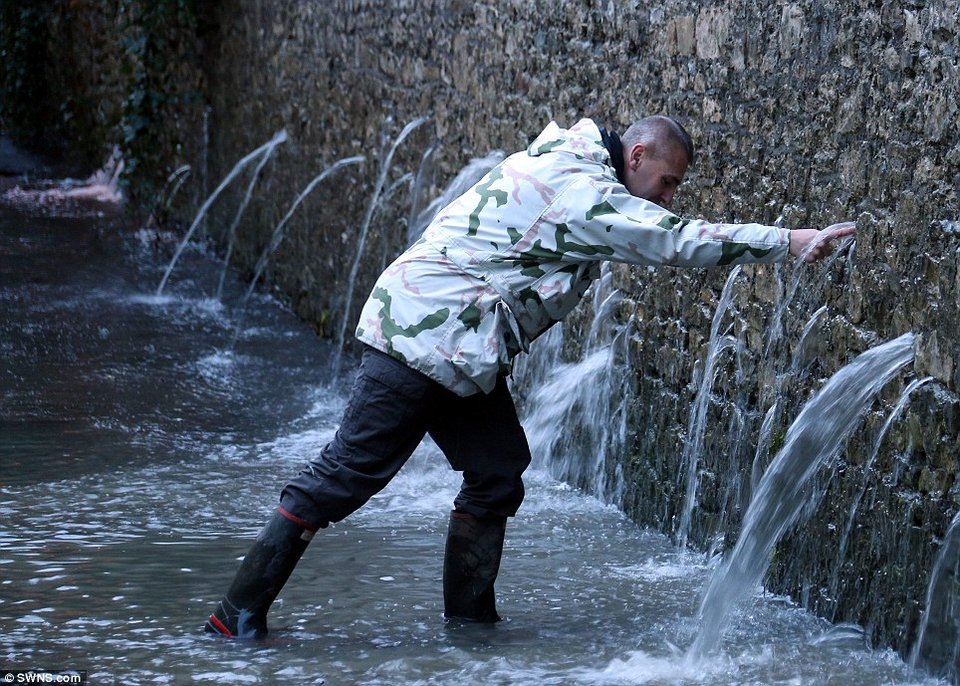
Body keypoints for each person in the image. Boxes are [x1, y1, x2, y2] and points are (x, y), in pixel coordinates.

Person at [204, 115, 856, 638]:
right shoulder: (582, 189)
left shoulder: (569, 166)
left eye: (674, 189)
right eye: (668, 181)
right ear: (635, 156)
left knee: (496, 473)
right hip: (424, 337)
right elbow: (671, 239)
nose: (668, 195)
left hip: (458, 342)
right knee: (343, 478)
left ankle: (470, 628)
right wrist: (784, 240)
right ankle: (234, 614)